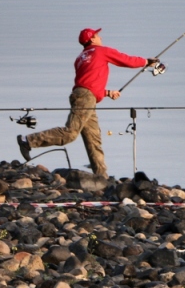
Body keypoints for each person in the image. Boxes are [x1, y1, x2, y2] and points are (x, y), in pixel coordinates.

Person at [17, 28, 157, 178]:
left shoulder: (80, 58)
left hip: (83, 96)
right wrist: (146, 62)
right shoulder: (101, 51)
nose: (101, 37)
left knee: (93, 138)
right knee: (70, 133)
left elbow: (87, 83)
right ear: (91, 39)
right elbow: (125, 59)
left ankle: (101, 177)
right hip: (85, 97)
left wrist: (107, 93)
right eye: (97, 35)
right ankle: (28, 140)